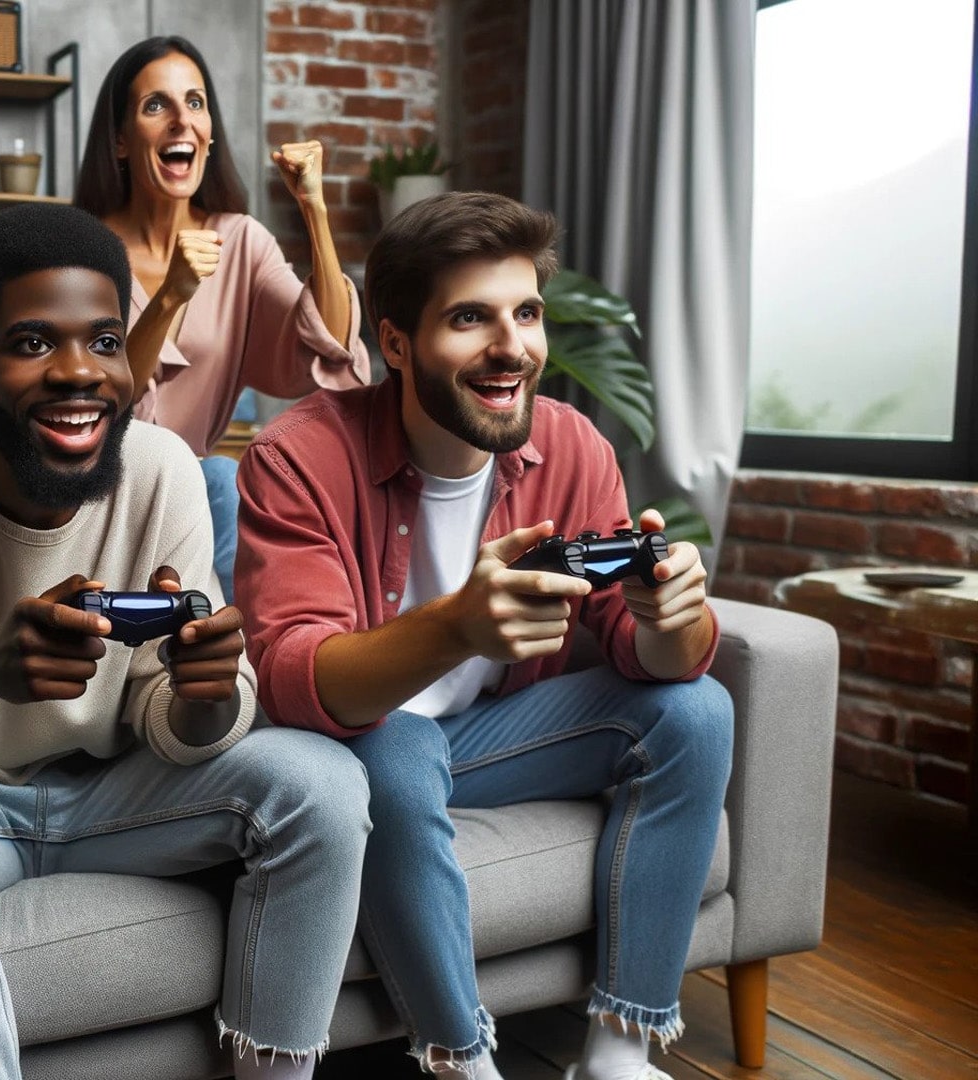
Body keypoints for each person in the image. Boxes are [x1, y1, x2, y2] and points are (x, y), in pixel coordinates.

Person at [0, 204, 371, 1080]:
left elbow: (179, 723)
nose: (79, 373)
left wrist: (207, 690)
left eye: (105, 342)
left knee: (323, 782)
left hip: (123, 796)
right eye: (33, 343)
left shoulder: (161, 470)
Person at [236, 192, 732, 1080]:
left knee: (698, 711)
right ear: (394, 343)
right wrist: (457, 625)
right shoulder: (298, 457)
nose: (513, 348)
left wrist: (672, 618)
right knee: (393, 752)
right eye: (471, 318)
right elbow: (294, 679)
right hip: (366, 749)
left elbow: (639, 652)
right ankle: (462, 1059)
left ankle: (618, 1053)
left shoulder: (572, 447)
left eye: (526, 314)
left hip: (494, 739)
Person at [74, 36, 370, 595]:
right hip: (92, 494)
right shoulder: (80, 250)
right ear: (119, 140)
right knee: (215, 476)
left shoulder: (240, 241)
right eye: (155, 105)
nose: (181, 121)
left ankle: (270, 660)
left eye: (196, 102)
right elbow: (99, 402)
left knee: (219, 477)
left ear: (209, 134)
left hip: (192, 500)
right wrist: (170, 297)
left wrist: (315, 209)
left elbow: (330, 344)